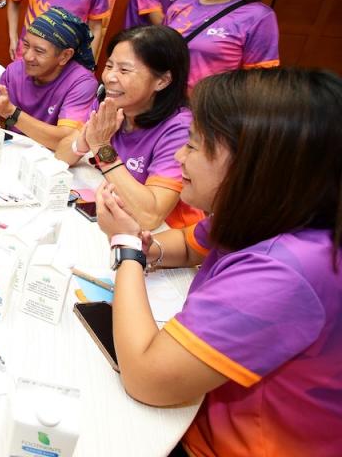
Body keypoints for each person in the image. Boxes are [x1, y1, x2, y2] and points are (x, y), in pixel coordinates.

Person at [96, 68, 342, 457]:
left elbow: (146, 378)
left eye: (193, 146)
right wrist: (149, 249)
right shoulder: (269, 212)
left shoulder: (285, 274)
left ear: (254, 165)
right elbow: (192, 243)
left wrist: (126, 247)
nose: (180, 157)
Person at [56, 25, 200, 230]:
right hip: (116, 215)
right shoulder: (112, 101)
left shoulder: (179, 129)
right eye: (109, 66)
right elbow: (60, 158)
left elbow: (150, 216)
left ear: (162, 81)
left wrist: (102, 147)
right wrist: (84, 139)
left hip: (164, 239)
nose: (109, 78)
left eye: (124, 70)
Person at [0, 6, 98, 150]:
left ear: (65, 56)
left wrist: (10, 112)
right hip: (14, 150)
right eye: (26, 45)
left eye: (39, 51)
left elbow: (67, 141)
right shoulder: (15, 71)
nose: (27, 56)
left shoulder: (81, 83)